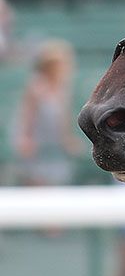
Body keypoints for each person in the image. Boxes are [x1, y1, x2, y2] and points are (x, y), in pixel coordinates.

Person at [12, 39, 81, 187]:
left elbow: (64, 119)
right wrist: (26, 138)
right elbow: (27, 116)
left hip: (55, 146)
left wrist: (68, 140)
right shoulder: (36, 87)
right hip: (38, 146)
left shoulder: (63, 89)